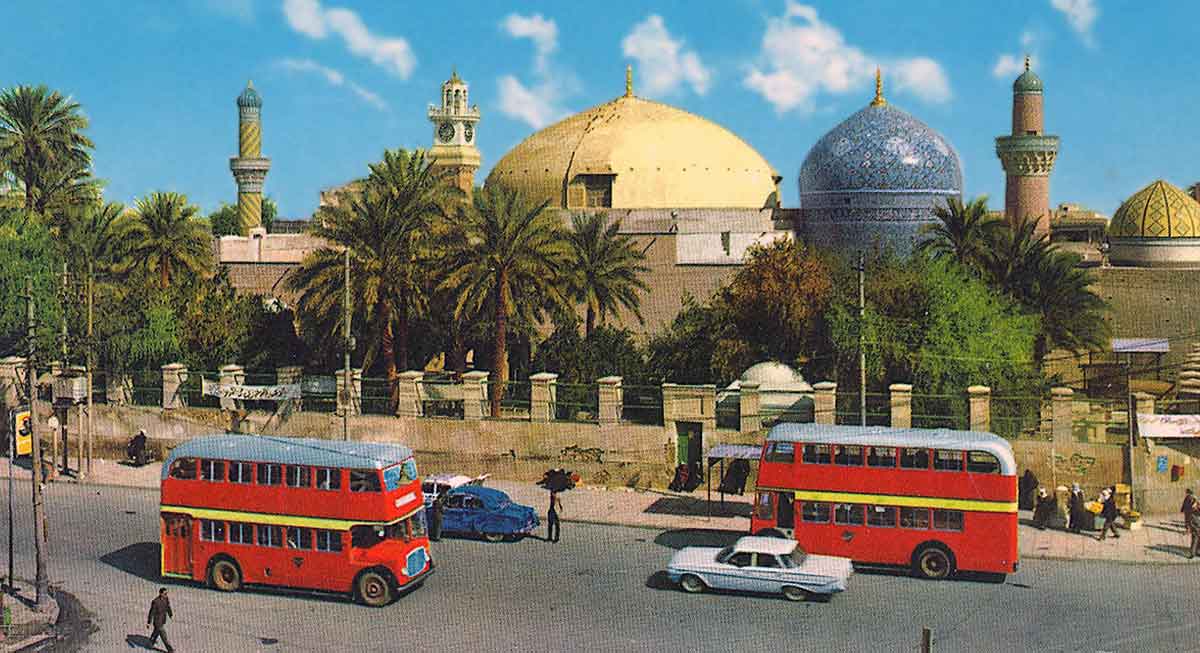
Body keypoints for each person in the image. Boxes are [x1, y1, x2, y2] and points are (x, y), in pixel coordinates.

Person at [146, 587, 175, 653]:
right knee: (164, 636)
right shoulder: (155, 602)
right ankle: (170, 650)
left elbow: (168, 606)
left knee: (156, 632)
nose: (166, 595)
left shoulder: (166, 599)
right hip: (157, 622)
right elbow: (151, 612)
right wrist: (149, 622)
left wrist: (170, 614)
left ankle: (150, 643)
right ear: (160, 593)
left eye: (166, 593)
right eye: (165, 593)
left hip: (162, 620)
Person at [1182, 488, 1200, 559]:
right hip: (1194, 520)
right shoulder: (1192, 499)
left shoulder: (1190, 499)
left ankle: (1194, 552)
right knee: (1196, 536)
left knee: (1196, 537)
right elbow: (1192, 509)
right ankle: (1193, 552)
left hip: (1194, 520)